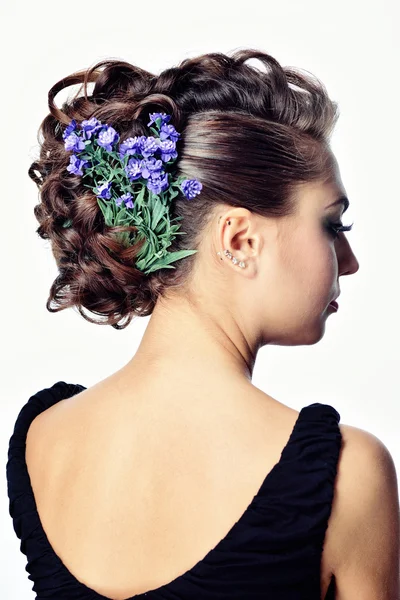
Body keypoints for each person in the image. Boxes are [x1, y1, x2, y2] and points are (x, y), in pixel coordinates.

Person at [6, 48, 399, 600]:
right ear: (240, 240)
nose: (350, 259)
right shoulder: (347, 476)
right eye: (333, 224)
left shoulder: (43, 439)